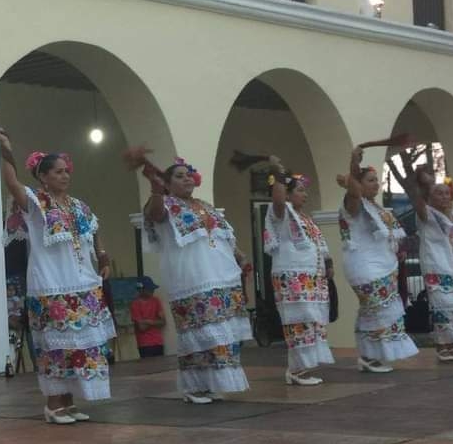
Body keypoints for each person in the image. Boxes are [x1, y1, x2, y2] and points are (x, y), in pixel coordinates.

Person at [0, 128, 115, 424]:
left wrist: (102, 258)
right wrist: (6, 150)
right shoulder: (36, 204)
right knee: (55, 347)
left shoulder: (79, 206)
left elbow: (95, 234)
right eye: (57, 172)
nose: (65, 176)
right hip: (51, 285)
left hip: (84, 285)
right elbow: (12, 182)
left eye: (66, 171)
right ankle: (54, 404)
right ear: (43, 176)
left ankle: (70, 402)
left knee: (80, 347)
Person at [140, 156, 251, 404]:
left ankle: (210, 384)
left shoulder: (205, 205)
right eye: (179, 176)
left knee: (221, 332)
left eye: (188, 174)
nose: (187, 178)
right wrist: (156, 190)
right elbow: (155, 215)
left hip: (222, 275)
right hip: (192, 278)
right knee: (200, 333)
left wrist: (240, 256)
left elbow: (223, 237)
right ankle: (193, 387)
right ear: (167, 183)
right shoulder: (164, 204)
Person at [388, 155, 453, 361]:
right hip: (438, 267)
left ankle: (450, 346)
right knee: (444, 304)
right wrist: (419, 180)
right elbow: (417, 199)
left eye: (447, 193)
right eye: (439, 193)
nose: (444, 197)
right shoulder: (426, 214)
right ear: (430, 197)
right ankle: (441, 347)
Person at [338, 147, 418, 372]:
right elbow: (353, 192)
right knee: (378, 309)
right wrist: (353, 164)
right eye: (370, 180)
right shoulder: (353, 205)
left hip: (383, 266)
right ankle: (369, 356)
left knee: (371, 310)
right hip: (365, 267)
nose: (376, 184)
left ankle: (368, 356)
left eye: (377, 180)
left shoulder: (378, 208)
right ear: (359, 183)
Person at [264, 159, 334, 385]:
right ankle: (297, 371)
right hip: (292, 276)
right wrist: (278, 174)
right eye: (300, 190)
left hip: (312, 276)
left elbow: (320, 247)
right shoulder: (281, 213)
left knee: (311, 320)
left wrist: (328, 265)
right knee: (299, 320)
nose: (305, 195)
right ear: (288, 193)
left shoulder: (306, 218)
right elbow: (278, 199)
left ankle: (300, 368)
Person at [129, 277, 166, 358]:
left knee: (161, 368)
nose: (152, 291)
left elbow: (163, 322)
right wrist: (155, 322)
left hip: (158, 342)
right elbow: (141, 327)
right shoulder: (135, 304)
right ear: (141, 289)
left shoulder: (156, 300)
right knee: (147, 368)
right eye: (150, 289)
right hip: (144, 344)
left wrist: (148, 321)